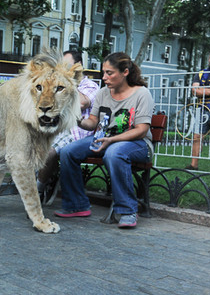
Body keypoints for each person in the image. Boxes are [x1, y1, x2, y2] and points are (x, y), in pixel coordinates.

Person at [56, 52, 155, 229]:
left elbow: (141, 130)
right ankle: (76, 205)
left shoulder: (141, 94)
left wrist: (111, 140)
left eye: (110, 73)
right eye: (104, 72)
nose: (104, 77)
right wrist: (78, 119)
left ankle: (127, 210)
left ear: (125, 72)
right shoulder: (103, 93)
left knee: (114, 152)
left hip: (138, 145)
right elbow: (93, 122)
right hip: (104, 139)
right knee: (68, 151)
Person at [36, 50, 100, 203]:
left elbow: (81, 103)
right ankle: (44, 179)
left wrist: (69, 82)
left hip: (77, 131)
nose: (62, 70)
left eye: (66, 66)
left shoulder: (91, 86)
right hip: (56, 128)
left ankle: (38, 189)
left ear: (78, 67)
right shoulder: (57, 84)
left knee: (49, 152)